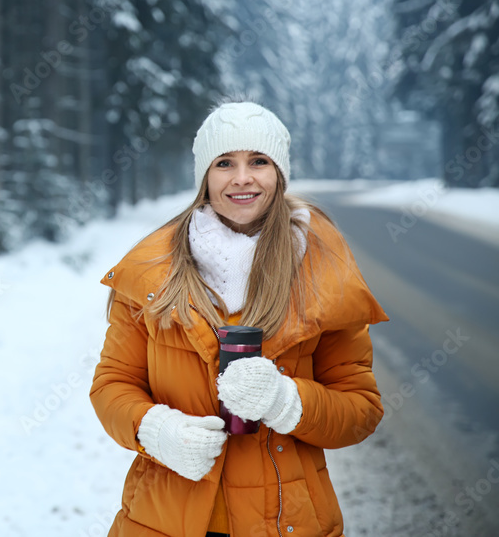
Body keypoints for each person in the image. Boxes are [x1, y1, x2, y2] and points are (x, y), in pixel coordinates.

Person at [90, 101, 389, 537]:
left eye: (259, 161)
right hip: (162, 521)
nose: (242, 177)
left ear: (279, 174)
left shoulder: (322, 271)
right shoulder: (153, 272)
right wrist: (155, 430)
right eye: (225, 162)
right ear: (205, 177)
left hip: (285, 523)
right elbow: (112, 385)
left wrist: (286, 401)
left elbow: (360, 410)